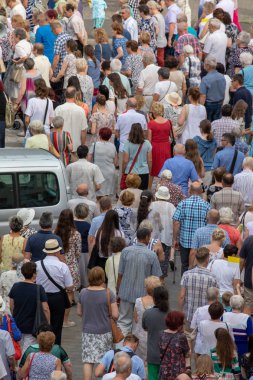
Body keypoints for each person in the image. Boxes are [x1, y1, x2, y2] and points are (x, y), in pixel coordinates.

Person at [116, 227, 162, 335]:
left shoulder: (125, 251)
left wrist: (118, 290)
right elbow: (157, 278)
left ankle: (121, 346)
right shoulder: (151, 255)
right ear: (146, 237)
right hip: (143, 295)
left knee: (123, 322)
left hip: (126, 292)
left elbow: (120, 274)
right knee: (141, 323)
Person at [77, 267, 119, 380]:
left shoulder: (83, 293)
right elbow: (115, 314)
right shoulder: (109, 293)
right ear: (102, 278)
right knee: (106, 360)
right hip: (105, 331)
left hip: (87, 331)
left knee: (88, 360)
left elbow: (79, 312)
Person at [36, 239, 73, 345]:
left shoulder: (37, 265)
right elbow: (69, 286)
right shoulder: (62, 266)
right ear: (57, 251)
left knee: (43, 325)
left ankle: (43, 346)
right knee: (57, 326)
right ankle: (56, 348)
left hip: (42, 297)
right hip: (58, 298)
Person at [9, 261, 50, 352]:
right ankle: (23, 365)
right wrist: (47, 323)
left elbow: (11, 305)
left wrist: (15, 316)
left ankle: (18, 365)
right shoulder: (39, 288)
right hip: (32, 326)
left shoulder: (15, 286)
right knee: (28, 350)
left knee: (18, 348)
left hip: (18, 323)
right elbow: (45, 308)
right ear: (34, 274)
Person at [178, 247, 219, 337]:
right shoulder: (212, 277)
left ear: (196, 259)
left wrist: (181, 312)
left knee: (188, 340)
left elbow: (182, 296)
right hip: (206, 315)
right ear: (207, 259)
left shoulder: (187, 274)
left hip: (189, 314)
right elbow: (215, 298)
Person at [173, 182, 210, 273]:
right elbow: (209, 222)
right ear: (201, 191)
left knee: (185, 265)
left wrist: (175, 238)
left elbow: (176, 222)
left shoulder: (183, 204)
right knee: (200, 265)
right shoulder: (206, 205)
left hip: (185, 240)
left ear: (190, 190)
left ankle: (184, 284)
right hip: (200, 242)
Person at [54, 209, 81, 324]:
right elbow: (78, 253)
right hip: (71, 267)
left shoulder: (54, 232)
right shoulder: (75, 234)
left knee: (58, 294)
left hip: (57, 266)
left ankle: (57, 319)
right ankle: (65, 321)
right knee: (70, 293)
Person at [131, 276, 162, 362]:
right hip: (153, 335)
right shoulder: (160, 303)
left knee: (138, 360)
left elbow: (136, 318)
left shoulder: (138, 301)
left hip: (139, 334)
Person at [142, 286, 169, 380]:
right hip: (168, 354)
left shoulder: (147, 313)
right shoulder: (171, 314)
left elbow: (145, 328)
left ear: (154, 298)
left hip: (152, 353)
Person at [55, 87, 87, 155]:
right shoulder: (81, 110)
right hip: (76, 146)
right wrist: (83, 145)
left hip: (61, 146)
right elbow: (83, 130)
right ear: (75, 95)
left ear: (65, 95)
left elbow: (54, 128)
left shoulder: (58, 109)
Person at [159, 311, 190, 380]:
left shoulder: (161, 334)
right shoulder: (181, 337)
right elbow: (187, 353)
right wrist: (188, 368)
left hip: (164, 370)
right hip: (178, 370)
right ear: (179, 323)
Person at [152, 186, 176, 274]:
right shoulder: (171, 207)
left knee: (152, 260)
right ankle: (161, 281)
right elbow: (175, 222)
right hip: (166, 236)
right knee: (163, 261)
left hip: (152, 237)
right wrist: (175, 237)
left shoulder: (151, 205)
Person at [147, 102, 172, 186]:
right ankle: (166, 187)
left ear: (154, 111)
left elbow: (149, 140)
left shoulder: (151, 123)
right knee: (166, 169)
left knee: (152, 170)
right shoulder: (169, 122)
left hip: (155, 147)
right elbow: (172, 136)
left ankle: (149, 188)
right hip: (166, 147)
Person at [122, 123, 152, 190]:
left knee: (130, 193)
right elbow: (149, 160)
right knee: (142, 193)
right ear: (141, 131)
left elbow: (125, 160)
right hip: (144, 171)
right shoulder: (147, 143)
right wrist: (149, 171)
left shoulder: (127, 143)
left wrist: (123, 170)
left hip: (131, 173)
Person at [88, 127, 117, 198]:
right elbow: (115, 162)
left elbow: (88, 159)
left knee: (98, 195)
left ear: (100, 135)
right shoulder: (112, 146)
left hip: (98, 172)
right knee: (107, 195)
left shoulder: (94, 145)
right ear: (110, 136)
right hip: (110, 172)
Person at [190, 287, 220, 355]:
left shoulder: (199, 310)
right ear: (217, 297)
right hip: (215, 345)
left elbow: (192, 326)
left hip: (201, 344)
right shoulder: (221, 311)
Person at [200, 55, 226, 122]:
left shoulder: (205, 79)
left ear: (208, 65)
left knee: (207, 125)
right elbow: (223, 92)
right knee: (216, 123)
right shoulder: (222, 77)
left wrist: (200, 108)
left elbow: (203, 95)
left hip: (209, 104)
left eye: (205, 64)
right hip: (219, 103)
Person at [193, 119, 217, 185]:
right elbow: (214, 154)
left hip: (198, 168)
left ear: (201, 129)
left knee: (197, 190)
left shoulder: (196, 140)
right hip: (210, 168)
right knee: (205, 191)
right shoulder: (214, 141)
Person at [51, 20, 71, 92]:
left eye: (52, 31)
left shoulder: (58, 40)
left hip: (60, 70)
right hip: (69, 68)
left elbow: (56, 58)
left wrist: (52, 71)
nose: (52, 33)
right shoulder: (69, 36)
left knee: (59, 92)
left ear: (55, 29)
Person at [240, 235, 253, 315]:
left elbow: (241, 260)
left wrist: (238, 275)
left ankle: (245, 326)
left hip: (249, 280)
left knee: (248, 303)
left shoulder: (249, 240)